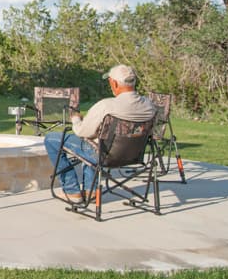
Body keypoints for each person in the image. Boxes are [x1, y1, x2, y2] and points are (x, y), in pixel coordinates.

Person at [45, 64, 157, 203]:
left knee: (52, 139)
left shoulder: (106, 105)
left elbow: (82, 132)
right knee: (96, 140)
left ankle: (71, 191)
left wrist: (75, 119)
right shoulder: (149, 105)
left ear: (114, 83)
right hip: (133, 156)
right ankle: (91, 192)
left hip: (104, 156)